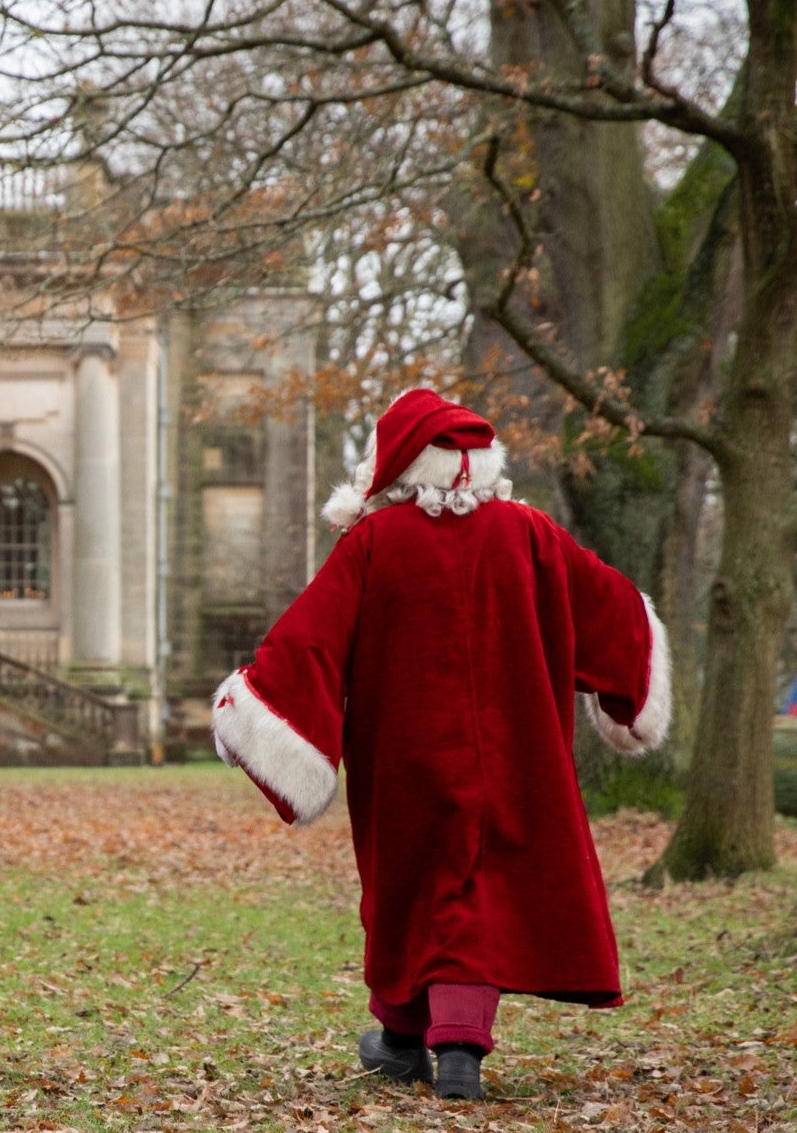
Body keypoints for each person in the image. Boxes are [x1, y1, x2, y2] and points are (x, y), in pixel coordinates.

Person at [209, 388, 670, 1101]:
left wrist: (257, 710)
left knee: (411, 885)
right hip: (516, 755)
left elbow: (311, 639)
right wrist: (626, 694)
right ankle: (435, 1046)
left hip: (406, 756)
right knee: (479, 886)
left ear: (395, 465)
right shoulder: (531, 533)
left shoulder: (373, 542)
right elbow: (612, 610)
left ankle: (417, 1040)